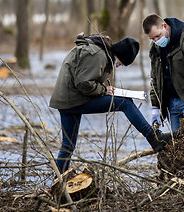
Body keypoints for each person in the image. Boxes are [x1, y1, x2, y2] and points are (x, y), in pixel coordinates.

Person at [50, 33, 171, 173]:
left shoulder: (98, 50)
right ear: (118, 54)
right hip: (73, 100)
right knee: (125, 103)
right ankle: (154, 138)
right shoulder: (98, 55)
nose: (118, 66)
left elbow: (84, 78)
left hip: (65, 101)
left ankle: (58, 182)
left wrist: (103, 88)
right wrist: (103, 90)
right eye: (121, 62)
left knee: (68, 145)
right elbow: (83, 83)